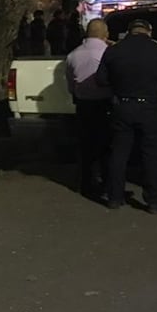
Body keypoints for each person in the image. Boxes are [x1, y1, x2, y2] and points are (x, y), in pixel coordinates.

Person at [96, 18, 157, 214]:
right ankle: (154, 200)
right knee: (151, 154)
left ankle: (114, 197)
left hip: (122, 106)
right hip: (150, 108)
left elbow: (101, 80)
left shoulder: (114, 50)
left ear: (129, 31)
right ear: (148, 31)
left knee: (119, 153)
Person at [65, 18, 112, 201]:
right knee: (107, 146)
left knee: (86, 147)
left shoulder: (73, 55)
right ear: (104, 34)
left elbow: (70, 84)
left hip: (84, 105)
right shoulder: (108, 52)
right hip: (105, 104)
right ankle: (107, 183)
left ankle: (86, 184)